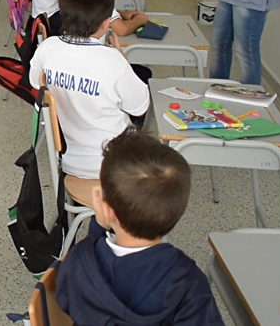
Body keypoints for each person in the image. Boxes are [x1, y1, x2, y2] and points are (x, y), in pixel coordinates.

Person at [56, 129, 225, 326]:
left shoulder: (79, 261)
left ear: (106, 210)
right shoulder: (187, 282)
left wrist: (98, 228)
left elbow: (64, 299)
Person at [29, 0, 150, 180]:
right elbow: (140, 107)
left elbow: (34, 81)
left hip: (68, 161)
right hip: (116, 165)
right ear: (106, 23)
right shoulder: (113, 62)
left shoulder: (47, 48)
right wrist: (121, 58)